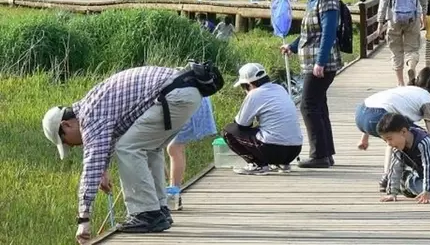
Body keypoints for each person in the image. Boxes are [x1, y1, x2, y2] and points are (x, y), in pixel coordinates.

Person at [41, 64, 220, 241]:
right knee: (149, 148)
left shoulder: (90, 116)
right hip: (186, 92)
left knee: (127, 148)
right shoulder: (93, 106)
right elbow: (107, 140)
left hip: (174, 95)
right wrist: (103, 171)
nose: (72, 147)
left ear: (66, 125)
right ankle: (158, 209)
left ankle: (146, 214)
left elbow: (90, 166)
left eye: (65, 142)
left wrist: (84, 218)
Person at [282, 0, 342, 168]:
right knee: (318, 105)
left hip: (321, 64)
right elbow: (309, 33)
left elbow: (328, 33)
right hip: (310, 61)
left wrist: (320, 62)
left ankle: (319, 155)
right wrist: (292, 45)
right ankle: (326, 153)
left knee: (307, 105)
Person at [355, 67, 430, 191]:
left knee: (394, 138)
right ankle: (392, 176)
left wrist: (364, 137)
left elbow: (379, 105)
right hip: (378, 115)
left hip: (361, 114)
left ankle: (388, 175)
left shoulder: (407, 89)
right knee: (409, 137)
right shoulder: (428, 99)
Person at [223, 63, 303, 175]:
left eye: (243, 87)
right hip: (295, 149)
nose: (244, 90)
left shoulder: (254, 94)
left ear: (249, 84)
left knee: (229, 131)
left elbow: (241, 125)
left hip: (273, 149)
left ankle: (257, 165)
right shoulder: (280, 88)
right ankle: (282, 164)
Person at [376, 0, 428, 86]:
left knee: (396, 50)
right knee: (412, 48)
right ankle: (411, 68)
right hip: (413, 16)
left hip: (394, 18)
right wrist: (424, 14)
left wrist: (380, 21)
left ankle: (400, 82)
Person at [166, 96, 216, 209]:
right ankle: (173, 192)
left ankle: (173, 194)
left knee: (174, 147)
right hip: (189, 102)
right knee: (175, 147)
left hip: (188, 104)